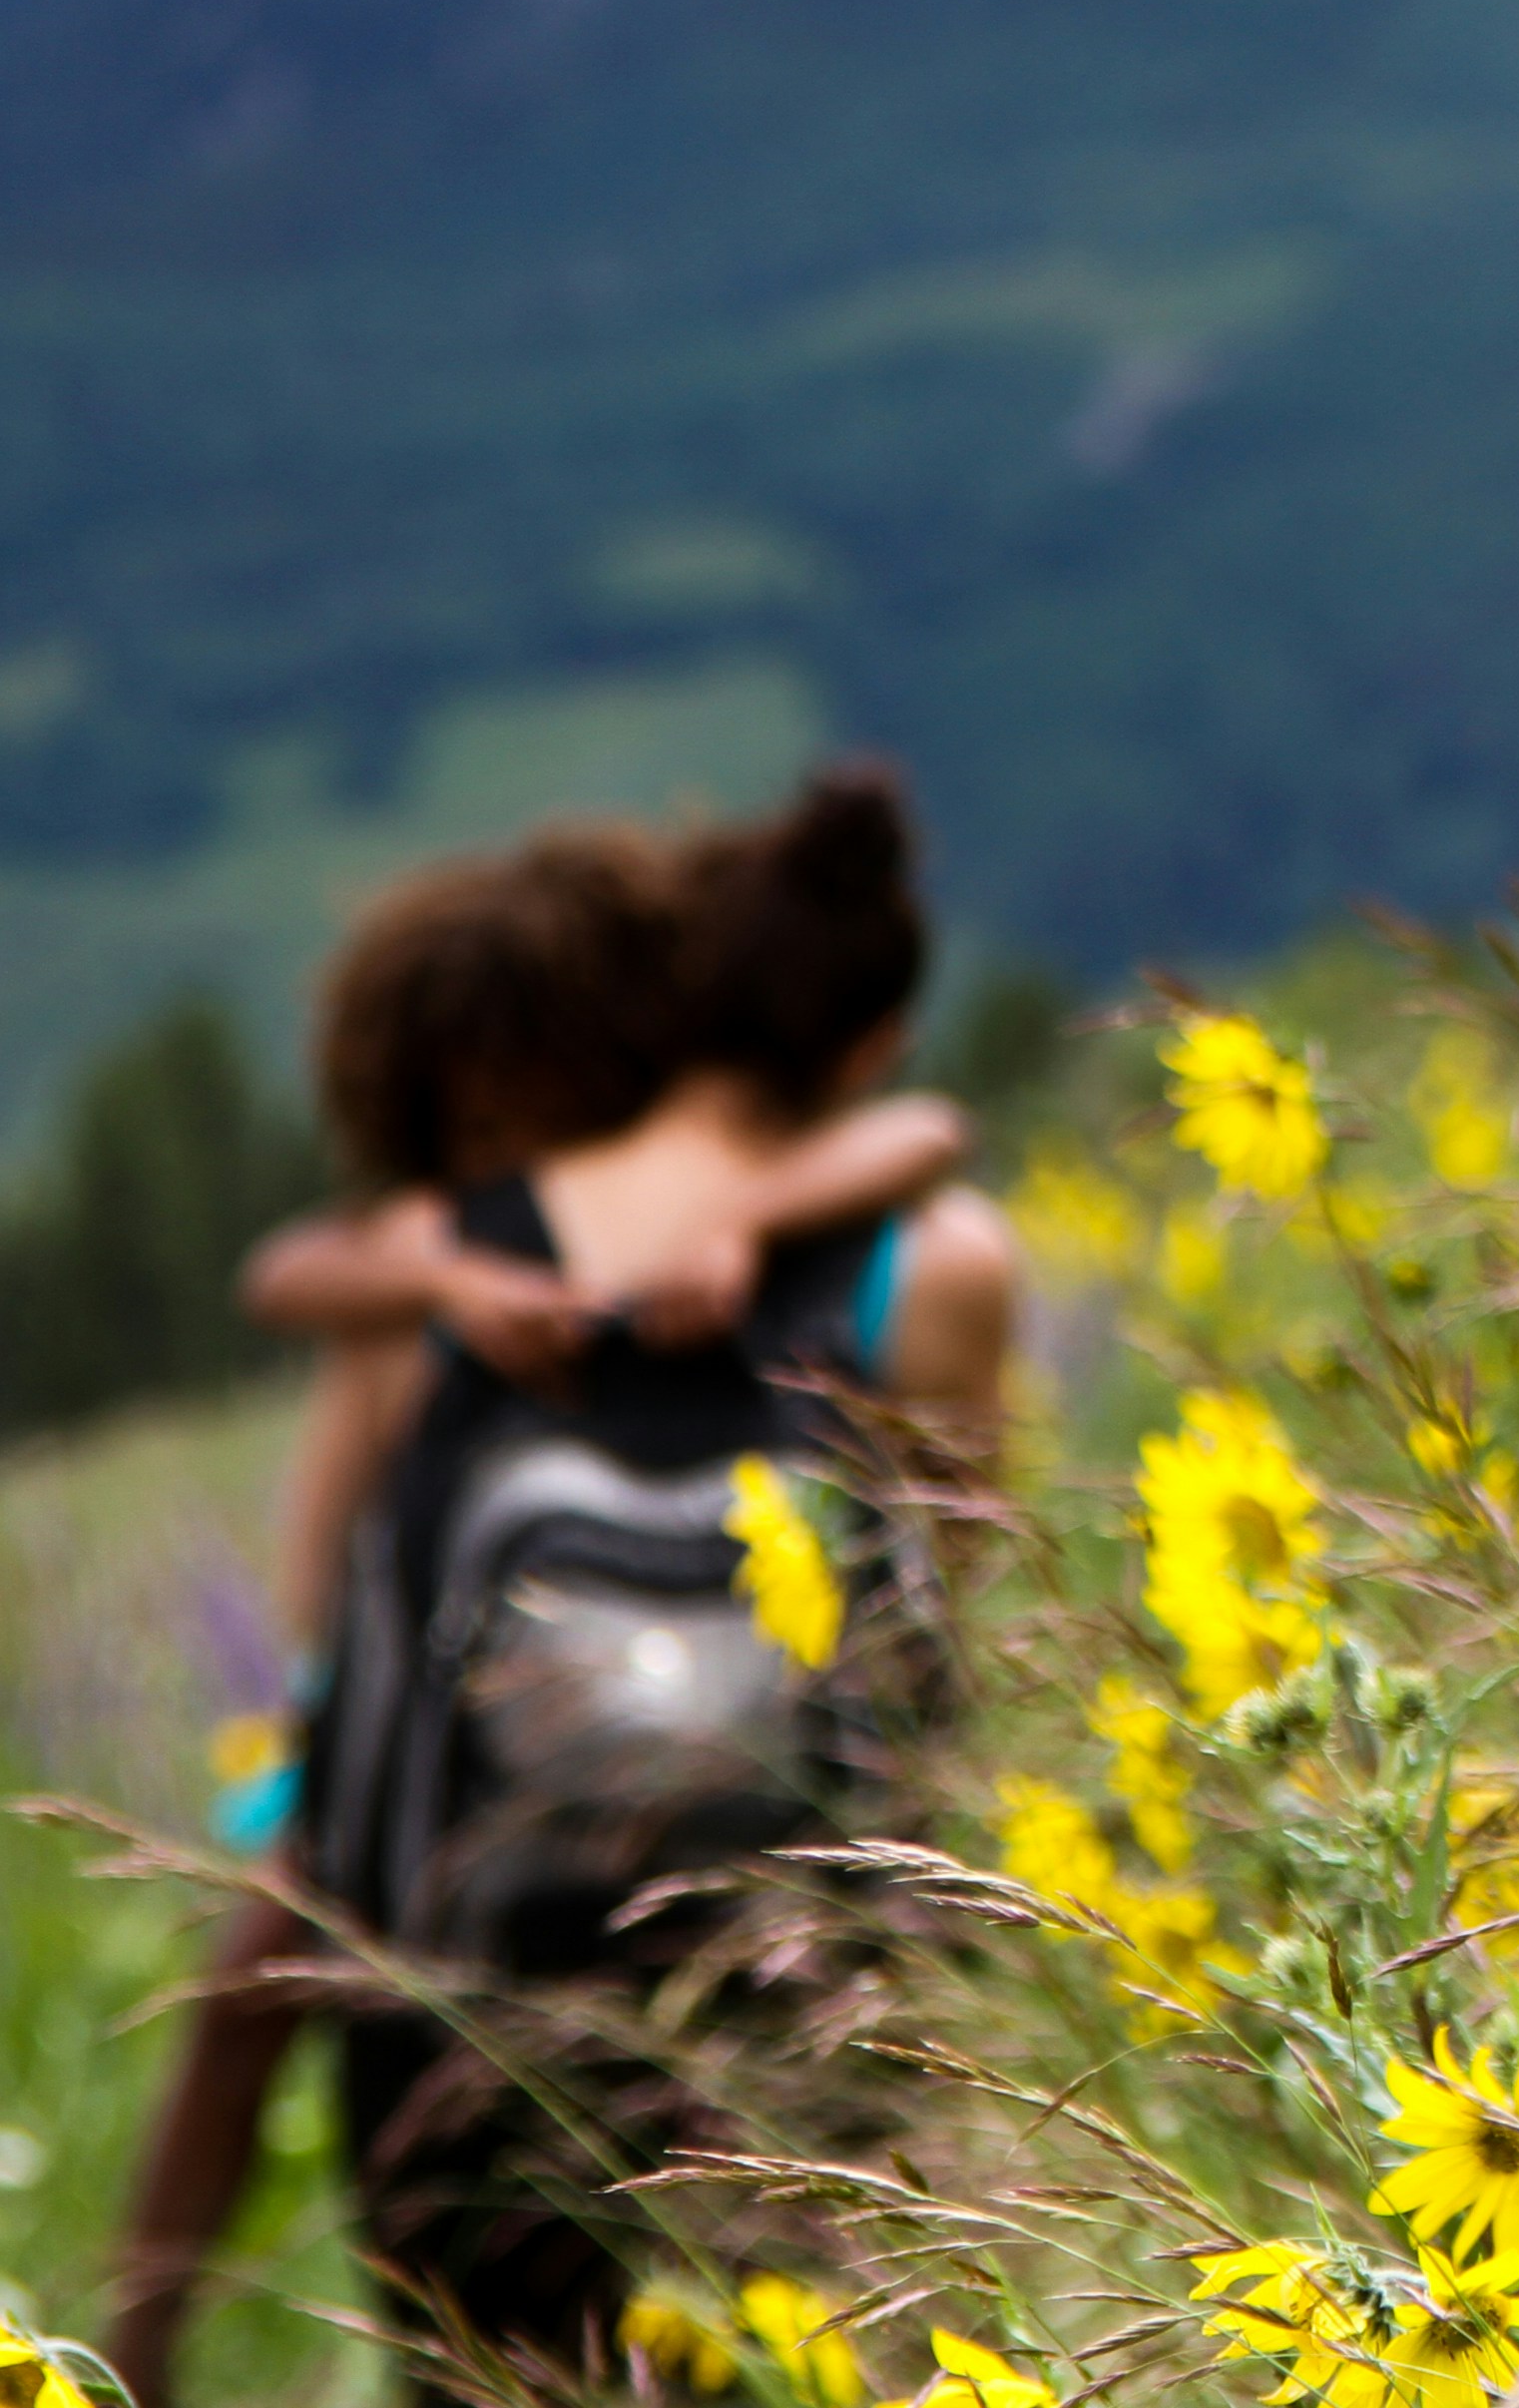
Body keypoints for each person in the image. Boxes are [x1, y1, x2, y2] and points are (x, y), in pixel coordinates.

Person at [100, 800, 981, 2408]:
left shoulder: (446, 1260)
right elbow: (952, 1615)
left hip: (459, 1925)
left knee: (253, 2002)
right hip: (783, 1924)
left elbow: (327, 1600)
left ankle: (120, 2356)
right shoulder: (906, 1251)